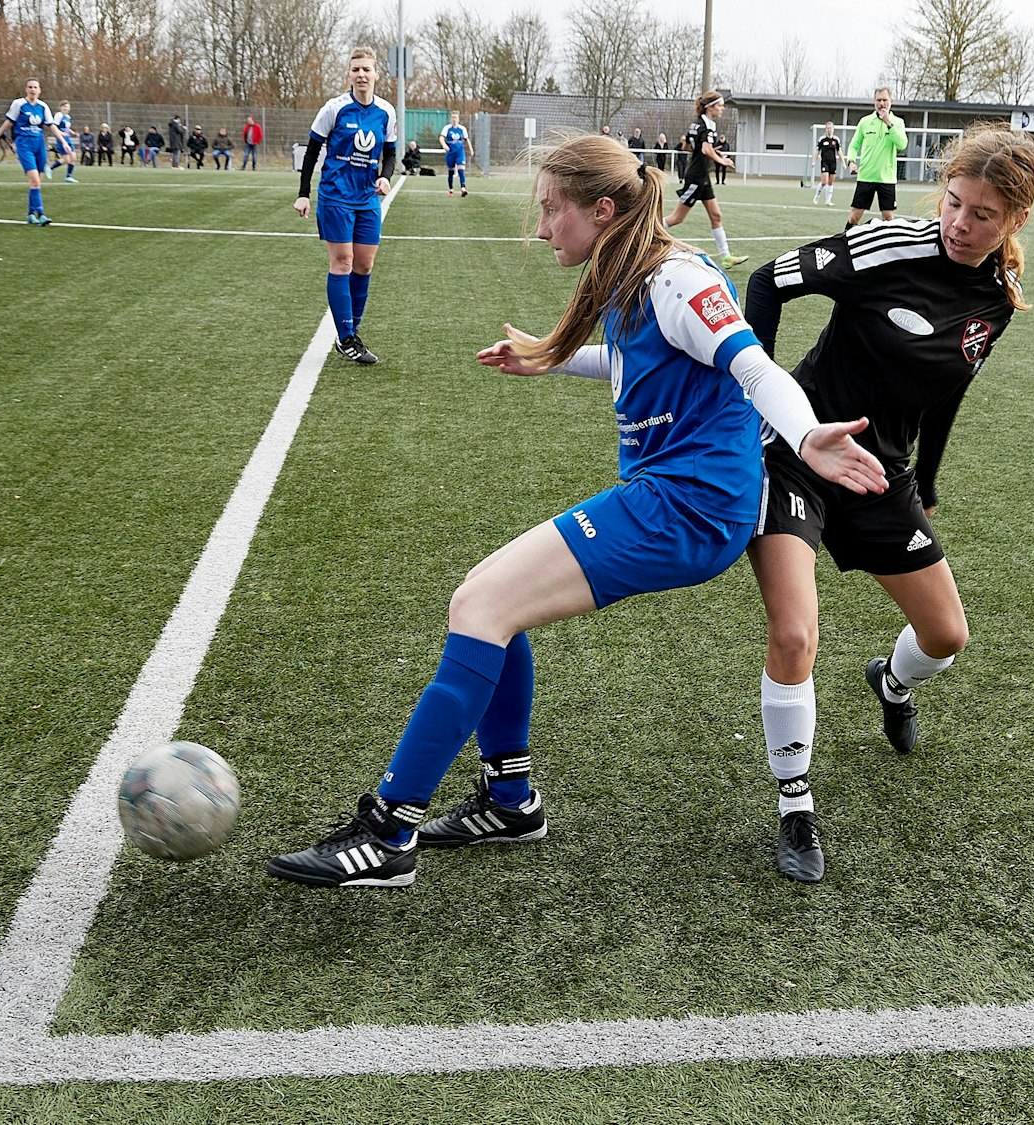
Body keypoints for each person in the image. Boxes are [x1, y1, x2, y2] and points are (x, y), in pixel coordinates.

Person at [264, 133, 886, 890]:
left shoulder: (679, 279)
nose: (542, 228)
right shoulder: (626, 271)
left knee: (482, 603)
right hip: (668, 497)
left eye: (552, 211)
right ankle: (509, 800)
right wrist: (552, 356)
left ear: (600, 209)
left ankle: (390, 830)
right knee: (489, 601)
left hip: (692, 510)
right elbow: (644, 360)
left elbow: (752, 366)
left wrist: (808, 434)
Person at [741, 124, 1034, 883]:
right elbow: (768, 281)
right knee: (796, 634)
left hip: (883, 474)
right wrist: (763, 408)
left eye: (982, 215)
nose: (961, 224)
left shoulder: (997, 300)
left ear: (1015, 221)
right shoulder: (887, 246)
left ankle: (891, 682)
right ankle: (795, 804)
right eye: (954, 202)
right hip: (801, 455)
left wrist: (928, 483)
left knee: (946, 634)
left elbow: (947, 394)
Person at [298, 46, 398, 365]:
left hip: (367, 198)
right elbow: (312, 152)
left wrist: (384, 177)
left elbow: (391, 154)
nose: (361, 75)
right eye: (356, 69)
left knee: (364, 265)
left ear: (376, 74)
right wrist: (303, 193)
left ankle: (351, 331)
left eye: (366, 69)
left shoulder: (386, 112)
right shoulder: (334, 108)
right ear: (349, 74)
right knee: (343, 261)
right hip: (335, 196)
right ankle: (346, 337)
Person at [664, 90, 746, 268]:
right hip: (695, 177)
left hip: (702, 177)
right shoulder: (707, 126)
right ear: (710, 107)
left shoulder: (698, 124)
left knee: (716, 216)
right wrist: (721, 160)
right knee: (677, 218)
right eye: (721, 106)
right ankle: (644, 235)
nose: (723, 109)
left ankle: (726, 257)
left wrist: (715, 152)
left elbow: (688, 146)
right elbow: (704, 150)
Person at [0, 78, 70, 225]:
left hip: (39, 144)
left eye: (35, 87)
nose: (33, 89)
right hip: (24, 144)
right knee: (35, 180)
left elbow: (52, 126)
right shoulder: (19, 104)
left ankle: (30, 214)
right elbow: (9, 122)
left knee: (37, 182)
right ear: (26, 89)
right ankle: (41, 214)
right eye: (30, 87)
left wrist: (63, 142)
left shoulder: (43, 106)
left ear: (39, 90)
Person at [846, 87, 907, 228]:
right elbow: (854, 145)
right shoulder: (865, 122)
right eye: (878, 100)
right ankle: (845, 244)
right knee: (854, 217)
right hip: (866, 176)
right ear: (874, 102)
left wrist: (888, 124)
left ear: (890, 101)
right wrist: (851, 161)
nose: (882, 103)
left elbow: (902, 144)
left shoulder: (897, 123)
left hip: (886, 178)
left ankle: (889, 248)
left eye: (885, 100)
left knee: (889, 218)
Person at [441, 111, 471, 196]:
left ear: (458, 119)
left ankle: (463, 188)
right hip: (450, 152)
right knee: (451, 171)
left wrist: (471, 149)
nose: (454, 119)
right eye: (453, 117)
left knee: (461, 169)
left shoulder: (462, 129)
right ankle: (451, 189)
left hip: (459, 151)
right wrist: (444, 145)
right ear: (451, 119)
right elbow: (441, 137)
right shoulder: (447, 128)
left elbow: (466, 139)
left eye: (456, 117)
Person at [811, 122, 841, 205]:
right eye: (828, 128)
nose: (829, 130)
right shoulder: (822, 139)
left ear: (833, 129)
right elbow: (817, 151)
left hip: (833, 163)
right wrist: (814, 161)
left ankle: (828, 201)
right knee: (824, 181)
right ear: (825, 129)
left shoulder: (836, 140)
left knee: (831, 182)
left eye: (830, 128)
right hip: (825, 162)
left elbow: (839, 151)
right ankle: (817, 197)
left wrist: (843, 163)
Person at [53, 100, 80, 182]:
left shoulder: (68, 117)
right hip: (61, 140)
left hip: (68, 139)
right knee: (66, 160)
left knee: (73, 158)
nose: (66, 108)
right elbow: (54, 127)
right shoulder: (58, 115)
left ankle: (68, 176)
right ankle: (50, 168)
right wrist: (61, 133)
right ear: (60, 107)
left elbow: (67, 129)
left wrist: (73, 133)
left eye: (67, 107)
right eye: (64, 106)